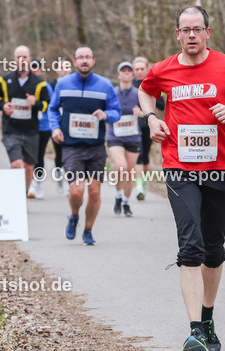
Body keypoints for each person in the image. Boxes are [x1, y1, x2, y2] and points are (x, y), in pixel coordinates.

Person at [138, 5, 225, 351]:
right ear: (177, 34)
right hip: (179, 167)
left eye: (197, 29)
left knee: (214, 248)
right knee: (190, 246)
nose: (191, 35)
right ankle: (194, 332)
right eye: (185, 29)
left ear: (208, 32)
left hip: (219, 168)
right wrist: (150, 118)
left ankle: (207, 318)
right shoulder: (163, 70)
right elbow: (145, 93)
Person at [48, 46, 121, 246]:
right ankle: (74, 216)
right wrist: (55, 128)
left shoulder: (105, 85)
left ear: (94, 61)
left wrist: (106, 115)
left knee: (95, 192)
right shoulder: (63, 84)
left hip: (96, 146)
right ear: (74, 62)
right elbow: (52, 109)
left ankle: (88, 229)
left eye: (88, 57)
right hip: (71, 146)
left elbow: (116, 111)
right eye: (80, 57)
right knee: (77, 191)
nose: (84, 60)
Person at [0, 45, 51, 197]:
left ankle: (24, 193)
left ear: (30, 59)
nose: (22, 60)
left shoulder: (39, 83)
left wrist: (36, 103)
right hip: (10, 129)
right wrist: (3, 105)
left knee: (28, 167)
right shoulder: (5, 80)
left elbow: (47, 105)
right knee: (16, 163)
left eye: (24, 57)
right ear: (14, 60)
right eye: (18, 57)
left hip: (31, 131)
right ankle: (15, 197)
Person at [105, 61, 141, 216]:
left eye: (129, 71)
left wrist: (141, 113)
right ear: (118, 75)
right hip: (115, 137)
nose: (126, 73)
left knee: (129, 172)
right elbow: (104, 112)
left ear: (132, 75)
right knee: (121, 167)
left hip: (133, 137)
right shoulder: (111, 93)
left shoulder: (139, 93)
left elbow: (148, 113)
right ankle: (118, 195)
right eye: (123, 71)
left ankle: (125, 202)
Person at [132, 56, 164, 200]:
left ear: (147, 69)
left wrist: (145, 111)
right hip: (131, 127)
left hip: (146, 125)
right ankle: (138, 186)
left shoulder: (153, 84)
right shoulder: (130, 85)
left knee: (145, 156)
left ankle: (144, 182)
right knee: (138, 155)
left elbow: (162, 106)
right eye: (136, 69)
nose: (139, 72)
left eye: (142, 69)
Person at [34, 70, 60, 194]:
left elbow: (49, 105)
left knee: (59, 155)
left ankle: (59, 181)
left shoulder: (45, 86)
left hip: (49, 125)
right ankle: (36, 183)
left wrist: (36, 104)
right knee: (37, 155)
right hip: (35, 126)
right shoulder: (22, 84)